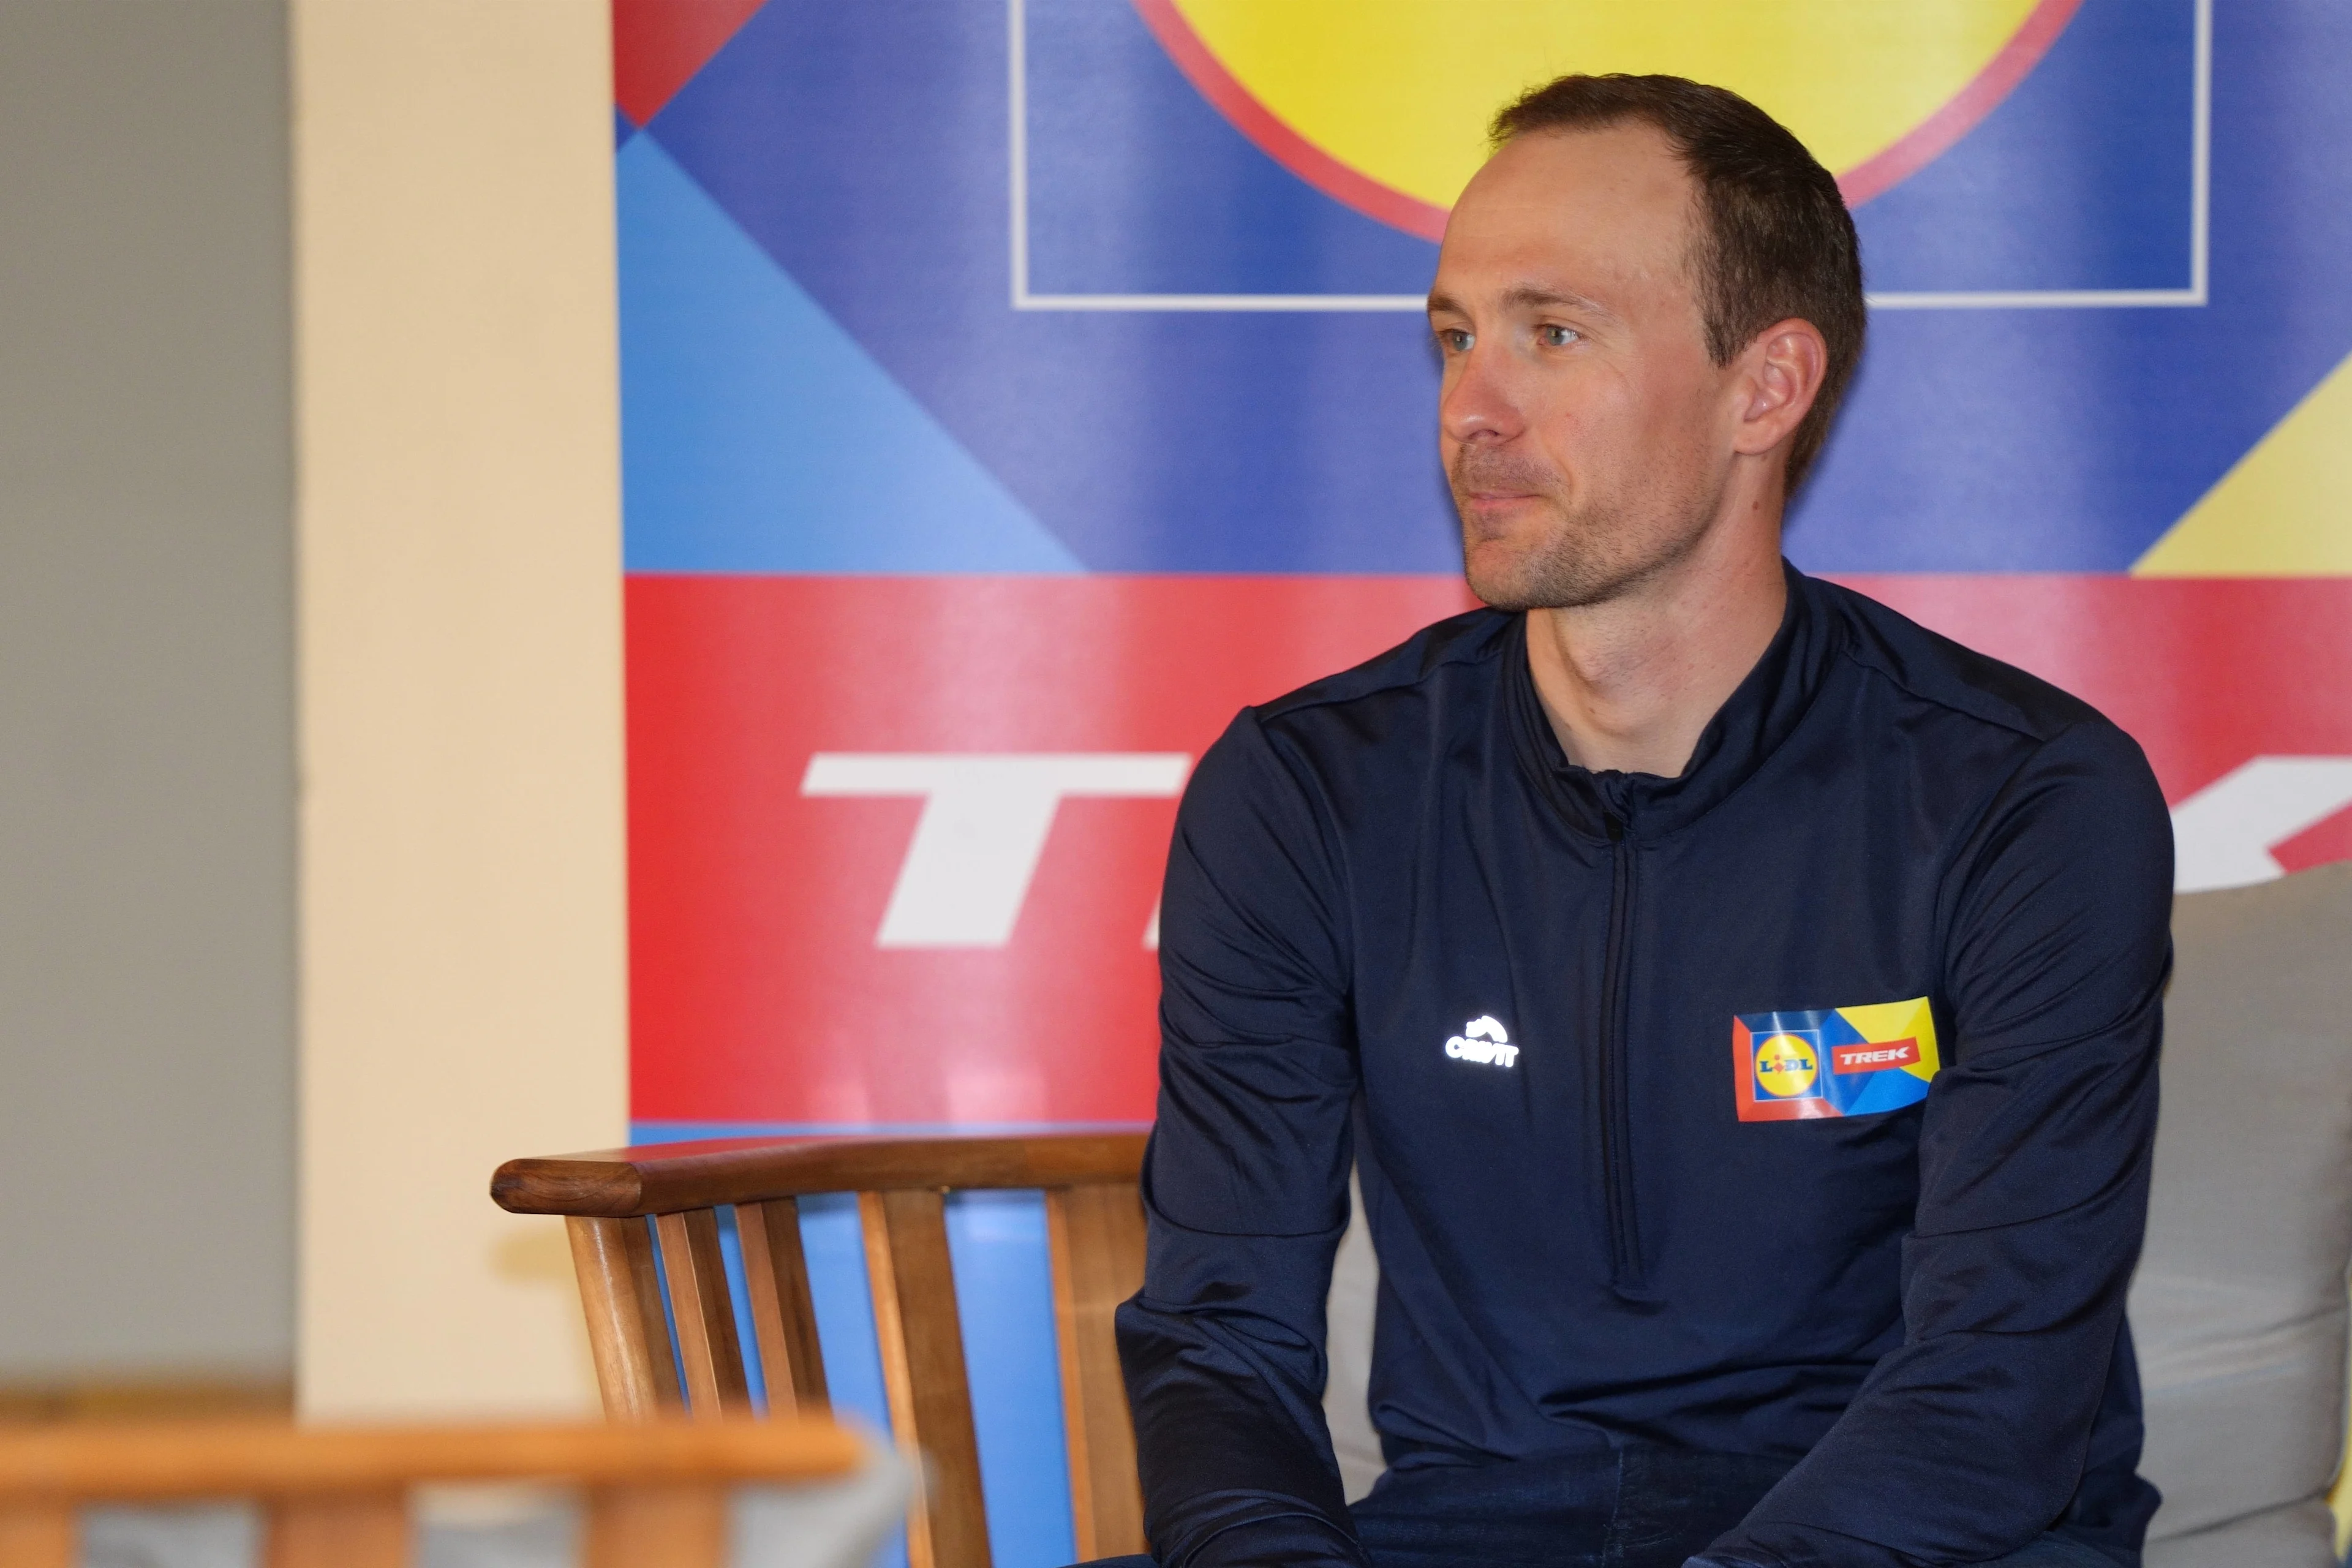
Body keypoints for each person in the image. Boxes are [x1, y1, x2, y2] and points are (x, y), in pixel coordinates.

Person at [1093, 74, 2173, 1568]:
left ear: (1767, 387)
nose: (1472, 405)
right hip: (1475, 1528)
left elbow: (1998, 1386)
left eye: (1555, 332)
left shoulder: (2024, 797)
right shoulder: (1306, 790)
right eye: (1457, 336)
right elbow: (1220, 1335)